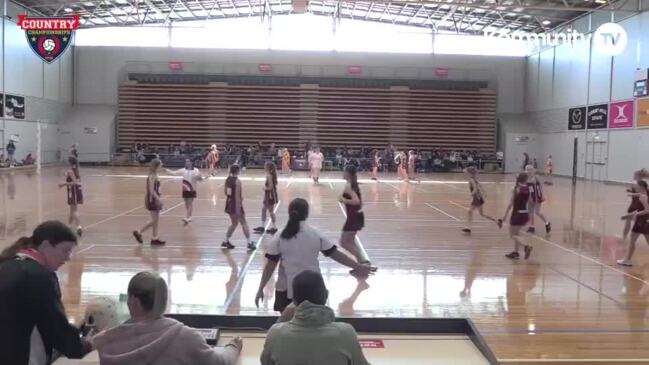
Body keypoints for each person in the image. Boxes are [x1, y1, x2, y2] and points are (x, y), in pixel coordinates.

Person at [94, 272, 242, 365]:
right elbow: (221, 362)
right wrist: (233, 346)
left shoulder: (106, 342)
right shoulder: (185, 337)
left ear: (133, 301)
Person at [255, 199, 372, 315]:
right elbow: (336, 255)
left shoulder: (280, 235)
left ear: (289, 212)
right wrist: (358, 266)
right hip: (313, 288)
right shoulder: (315, 233)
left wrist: (261, 288)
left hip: (285, 291)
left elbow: (270, 265)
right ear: (307, 214)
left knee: (288, 325)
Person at [0, 221, 92, 365]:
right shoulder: (39, 276)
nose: (68, 258)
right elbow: (55, 326)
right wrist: (85, 345)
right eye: (65, 250)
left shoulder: (6, 265)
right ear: (46, 245)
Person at [260, 270, 370, 365]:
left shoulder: (276, 333)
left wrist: (283, 319)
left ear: (294, 300)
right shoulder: (346, 333)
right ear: (326, 295)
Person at [339, 165, 377, 273]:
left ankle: (363, 264)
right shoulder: (353, 184)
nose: (342, 173)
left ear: (348, 174)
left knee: (344, 242)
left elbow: (357, 201)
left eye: (344, 171)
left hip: (353, 218)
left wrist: (343, 200)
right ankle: (363, 264)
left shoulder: (349, 186)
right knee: (349, 241)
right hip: (356, 216)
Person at [499, 173, 533, 260]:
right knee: (517, 233)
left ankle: (526, 246)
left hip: (517, 213)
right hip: (525, 214)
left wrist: (505, 216)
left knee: (512, 235)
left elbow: (511, 204)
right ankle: (516, 252)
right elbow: (530, 201)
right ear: (525, 179)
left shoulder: (515, 189)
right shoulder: (528, 188)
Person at [222, 164, 256, 251]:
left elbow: (226, 193)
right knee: (243, 223)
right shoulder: (237, 181)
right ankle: (249, 243)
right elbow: (237, 196)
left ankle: (225, 241)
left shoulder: (227, 179)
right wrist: (238, 207)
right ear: (238, 171)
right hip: (236, 205)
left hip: (229, 203)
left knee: (234, 223)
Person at [133, 159, 165, 246]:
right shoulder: (152, 176)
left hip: (155, 197)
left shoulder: (155, 175)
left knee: (156, 220)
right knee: (154, 220)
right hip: (152, 199)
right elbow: (151, 190)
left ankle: (155, 238)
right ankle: (139, 232)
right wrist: (158, 199)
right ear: (157, 166)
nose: (162, 164)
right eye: (161, 163)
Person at [618, 181, 649, 267]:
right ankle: (627, 259)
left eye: (637, 185)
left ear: (641, 186)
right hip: (646, 221)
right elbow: (638, 197)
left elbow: (647, 210)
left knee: (632, 240)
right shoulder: (644, 193)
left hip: (641, 222)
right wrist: (628, 215)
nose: (635, 186)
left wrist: (634, 214)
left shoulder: (643, 196)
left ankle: (627, 260)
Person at [166, 159, 204, 225]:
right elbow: (174, 173)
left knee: (190, 203)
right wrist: (166, 170)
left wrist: (199, 177)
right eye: (186, 161)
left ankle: (187, 217)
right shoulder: (183, 170)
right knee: (186, 203)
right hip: (185, 189)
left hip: (192, 189)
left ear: (191, 163)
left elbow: (200, 180)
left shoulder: (196, 170)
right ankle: (189, 216)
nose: (186, 163)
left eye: (188, 161)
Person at [461, 166, 497, 234]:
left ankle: (468, 227)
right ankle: (496, 221)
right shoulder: (474, 179)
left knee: (469, 212)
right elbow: (480, 186)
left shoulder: (472, 179)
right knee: (481, 214)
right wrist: (484, 193)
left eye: (467, 172)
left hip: (476, 198)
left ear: (469, 173)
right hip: (479, 198)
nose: (465, 174)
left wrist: (470, 195)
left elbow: (475, 189)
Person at [59, 156, 84, 236]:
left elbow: (75, 182)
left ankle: (79, 227)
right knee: (71, 211)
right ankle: (69, 226)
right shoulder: (75, 170)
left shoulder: (71, 171)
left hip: (74, 191)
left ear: (70, 162)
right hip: (75, 191)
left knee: (75, 210)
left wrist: (63, 184)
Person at [623, 169, 649, 240]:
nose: (633, 176)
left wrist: (632, 193)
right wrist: (631, 191)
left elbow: (641, 194)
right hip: (637, 206)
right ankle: (625, 238)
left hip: (636, 206)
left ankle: (624, 238)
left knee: (631, 223)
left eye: (635, 175)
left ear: (638, 176)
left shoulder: (636, 184)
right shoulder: (642, 185)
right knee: (631, 222)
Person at [525, 165, 551, 234]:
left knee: (537, 212)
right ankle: (532, 227)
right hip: (530, 197)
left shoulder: (536, 177)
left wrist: (542, 195)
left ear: (533, 170)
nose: (528, 171)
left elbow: (541, 186)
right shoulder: (525, 178)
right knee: (530, 212)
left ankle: (547, 223)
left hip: (537, 196)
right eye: (527, 169)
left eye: (530, 169)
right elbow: (527, 188)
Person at [254, 162, 279, 235]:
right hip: (270, 194)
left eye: (265, 166)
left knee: (270, 211)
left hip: (270, 195)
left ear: (268, 168)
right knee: (264, 210)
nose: (264, 167)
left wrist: (265, 188)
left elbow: (270, 187)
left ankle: (274, 227)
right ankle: (262, 226)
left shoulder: (269, 176)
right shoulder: (270, 175)